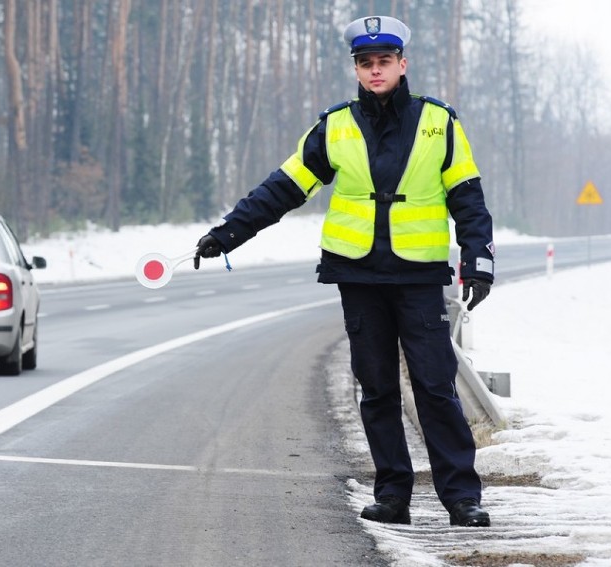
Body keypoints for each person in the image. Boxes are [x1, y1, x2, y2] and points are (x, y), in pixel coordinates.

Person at [193, 15, 494, 528]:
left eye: (384, 62)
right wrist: (228, 232)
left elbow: (467, 198)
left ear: (403, 64)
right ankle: (393, 494)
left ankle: (462, 498)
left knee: (434, 386)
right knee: (376, 388)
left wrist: (479, 259)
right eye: (365, 63)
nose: (375, 71)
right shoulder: (334, 126)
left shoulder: (439, 123)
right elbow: (282, 189)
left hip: (418, 276)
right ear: (356, 69)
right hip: (358, 276)